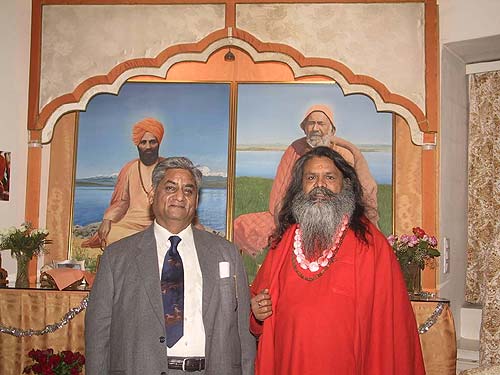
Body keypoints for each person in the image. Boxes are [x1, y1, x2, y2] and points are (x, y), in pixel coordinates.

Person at [249, 147, 425, 375]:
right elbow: (258, 307)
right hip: (289, 362)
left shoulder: (372, 245)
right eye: (311, 178)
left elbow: (390, 329)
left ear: (346, 185)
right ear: (300, 187)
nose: (319, 185)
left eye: (329, 177)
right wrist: (257, 312)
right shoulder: (284, 241)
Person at [85, 156, 255, 375]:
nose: (180, 197)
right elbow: (98, 335)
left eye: (188, 190)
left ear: (196, 200)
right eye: (170, 187)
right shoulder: (116, 258)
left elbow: (243, 330)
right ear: (152, 194)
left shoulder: (226, 252)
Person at [233, 104, 379, 255]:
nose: (315, 128)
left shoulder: (346, 153)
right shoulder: (295, 149)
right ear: (304, 127)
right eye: (311, 123)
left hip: (337, 217)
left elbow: (357, 194)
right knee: (241, 223)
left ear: (332, 129)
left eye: (321, 123)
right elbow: (280, 192)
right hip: (296, 214)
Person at [82, 117, 166, 248]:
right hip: (131, 223)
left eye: (152, 142)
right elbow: (122, 201)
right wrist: (107, 219)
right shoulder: (129, 168)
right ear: (138, 145)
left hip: (160, 223)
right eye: (143, 142)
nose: (148, 147)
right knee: (111, 234)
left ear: (159, 143)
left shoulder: (169, 167)